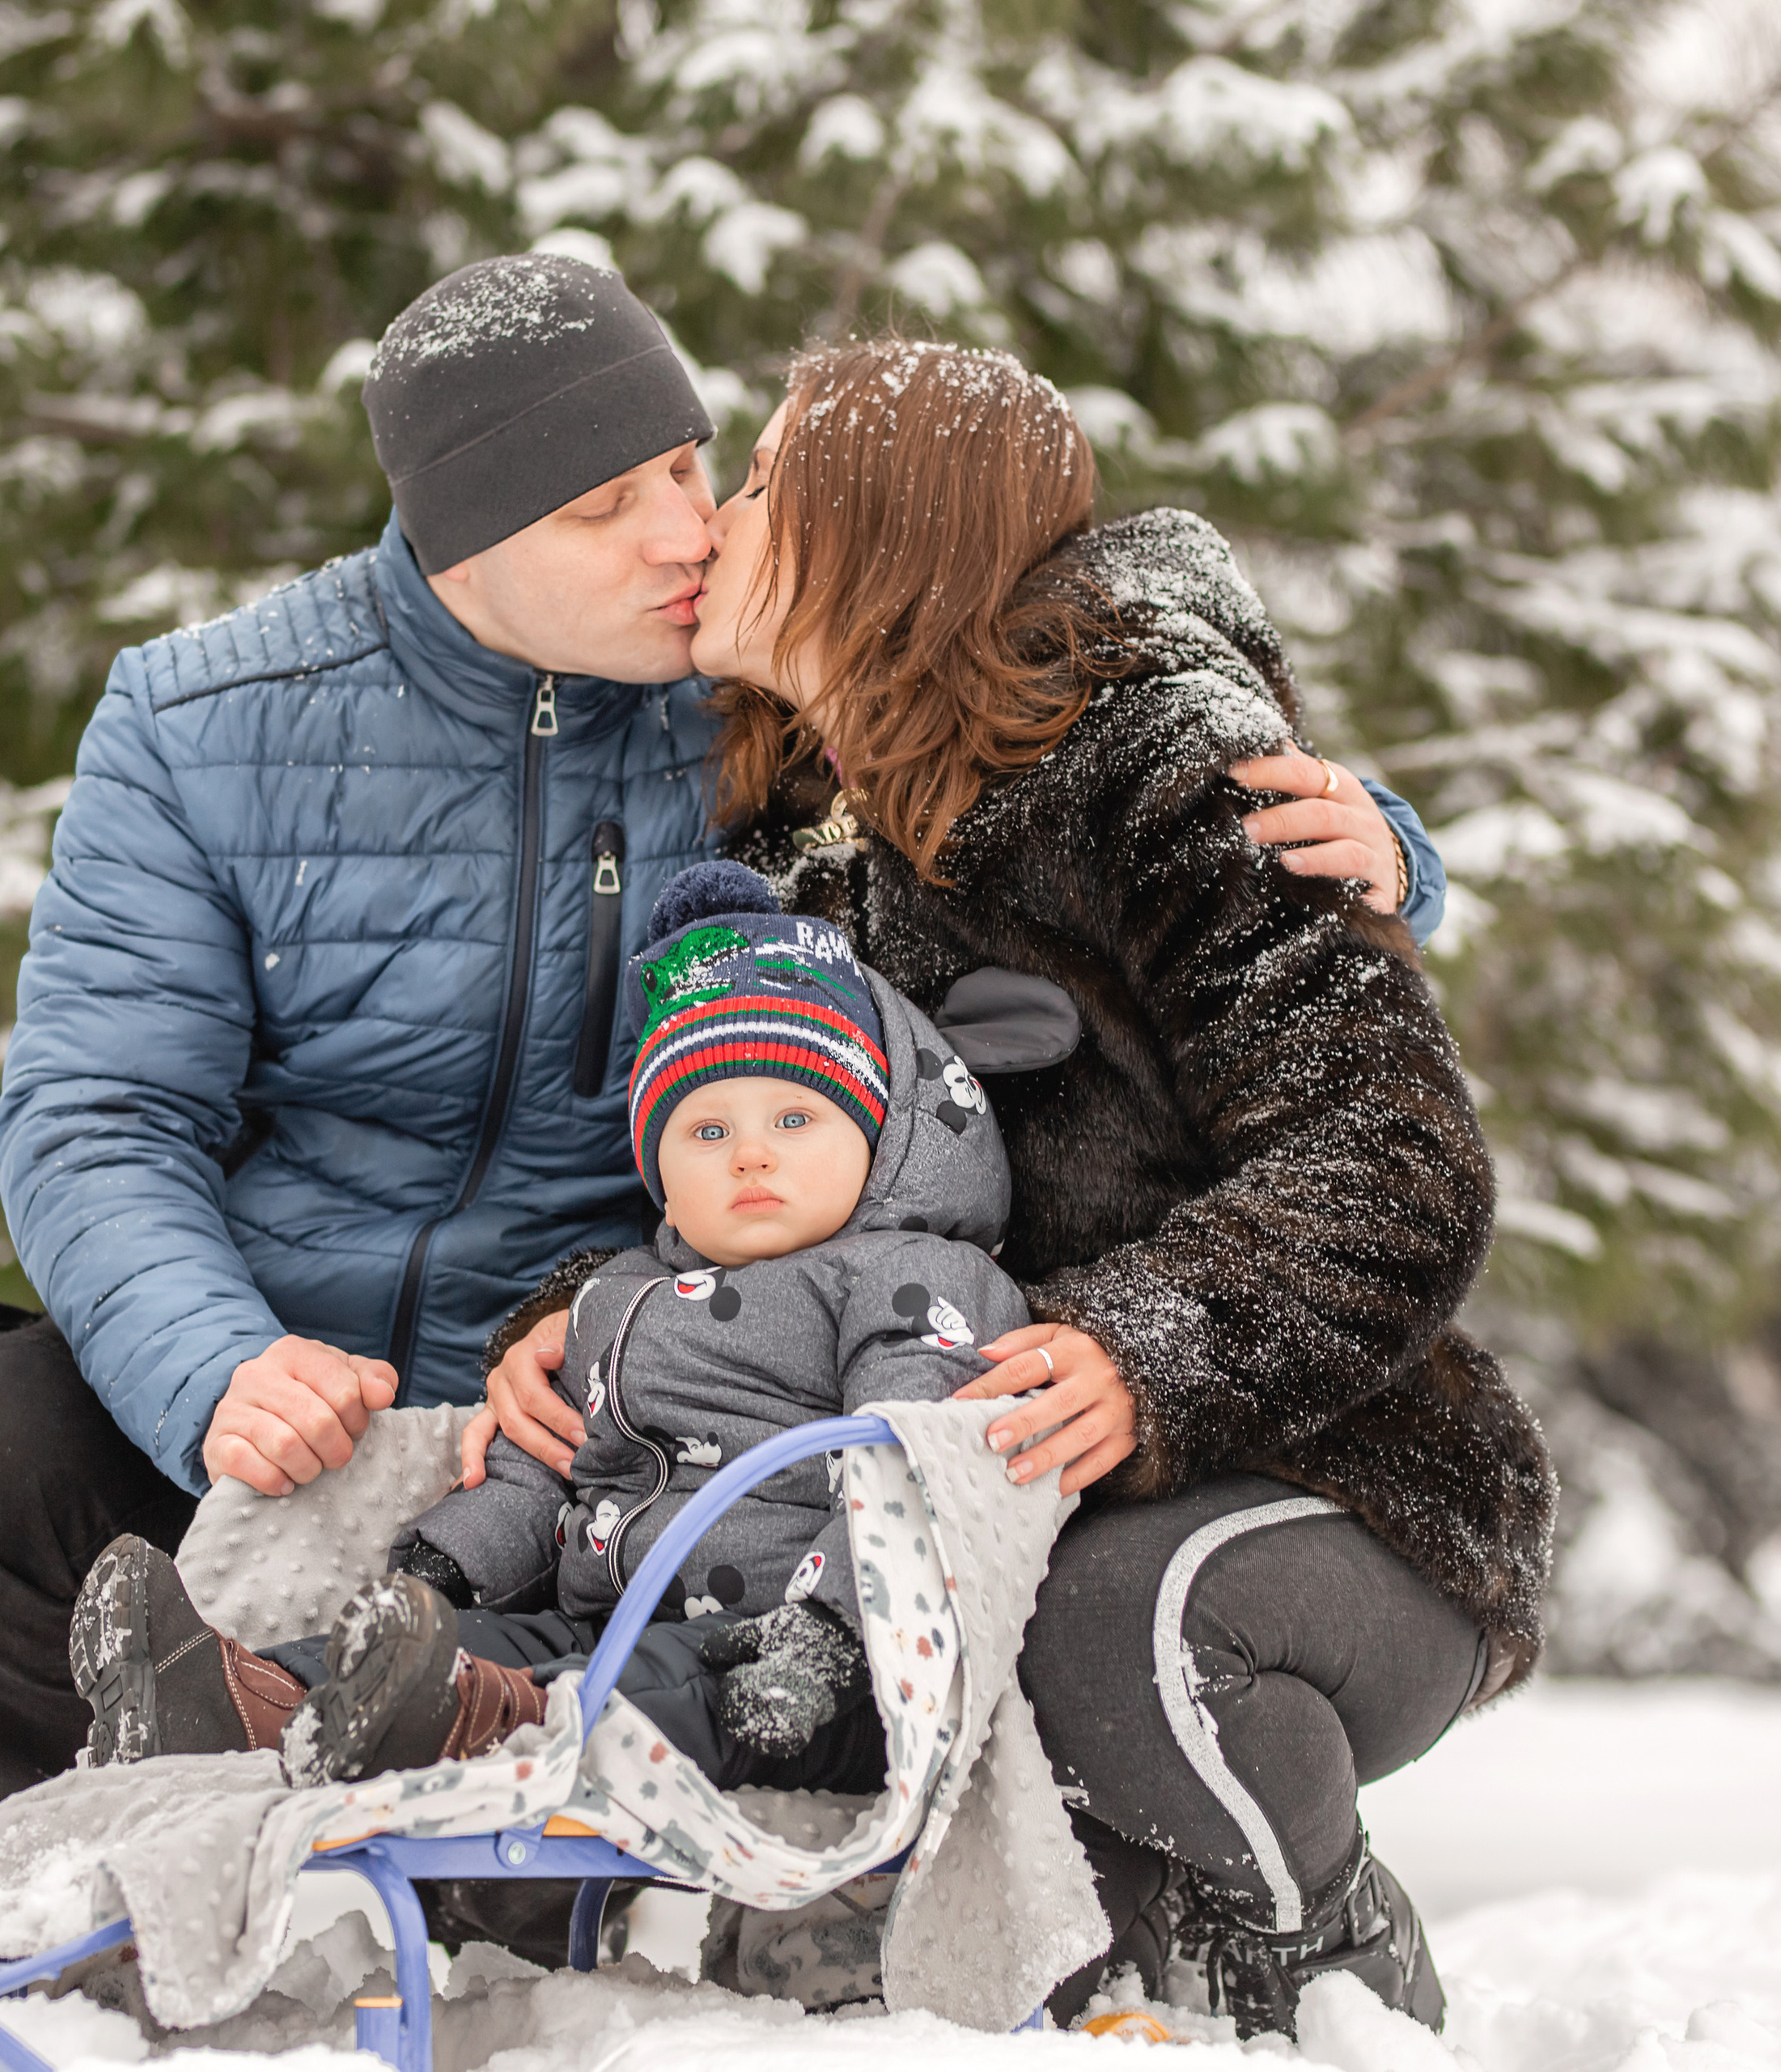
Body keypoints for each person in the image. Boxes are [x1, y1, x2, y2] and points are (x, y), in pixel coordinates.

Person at [0, 253, 1440, 1839]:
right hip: (291, 1387)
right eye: (603, 506)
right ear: (462, 536)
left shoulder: (756, 707)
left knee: (731, 1558)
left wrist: (1359, 843)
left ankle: (474, 1824)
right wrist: (219, 1362)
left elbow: (1024, 708)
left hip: (630, 1404)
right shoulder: (205, 723)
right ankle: (105, 1858)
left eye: (686, 466)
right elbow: (96, 1109)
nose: (687, 534)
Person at [477, 339, 1558, 2041]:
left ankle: (1329, 1956)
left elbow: (1394, 1162)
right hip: (1003, 1509)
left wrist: (1139, 1344)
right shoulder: (802, 858)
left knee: (1097, 1625)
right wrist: (578, 1327)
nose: (722, 525)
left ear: (873, 528)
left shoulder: (1170, 769)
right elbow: (754, 1169)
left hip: (1324, 1483)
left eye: (760, 481)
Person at [65, 861, 1025, 1801]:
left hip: (800, 1655)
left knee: (653, 1686)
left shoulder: (913, 1278)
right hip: (597, 1616)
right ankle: (242, 1695)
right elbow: (544, 1461)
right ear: (660, 1172)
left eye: (793, 1116)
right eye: (707, 1132)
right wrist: (448, 1561)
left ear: (875, 1136)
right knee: (491, 1649)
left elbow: (920, 1469)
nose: (752, 1155)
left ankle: (478, 1727)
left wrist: (835, 1633)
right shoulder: (617, 1297)